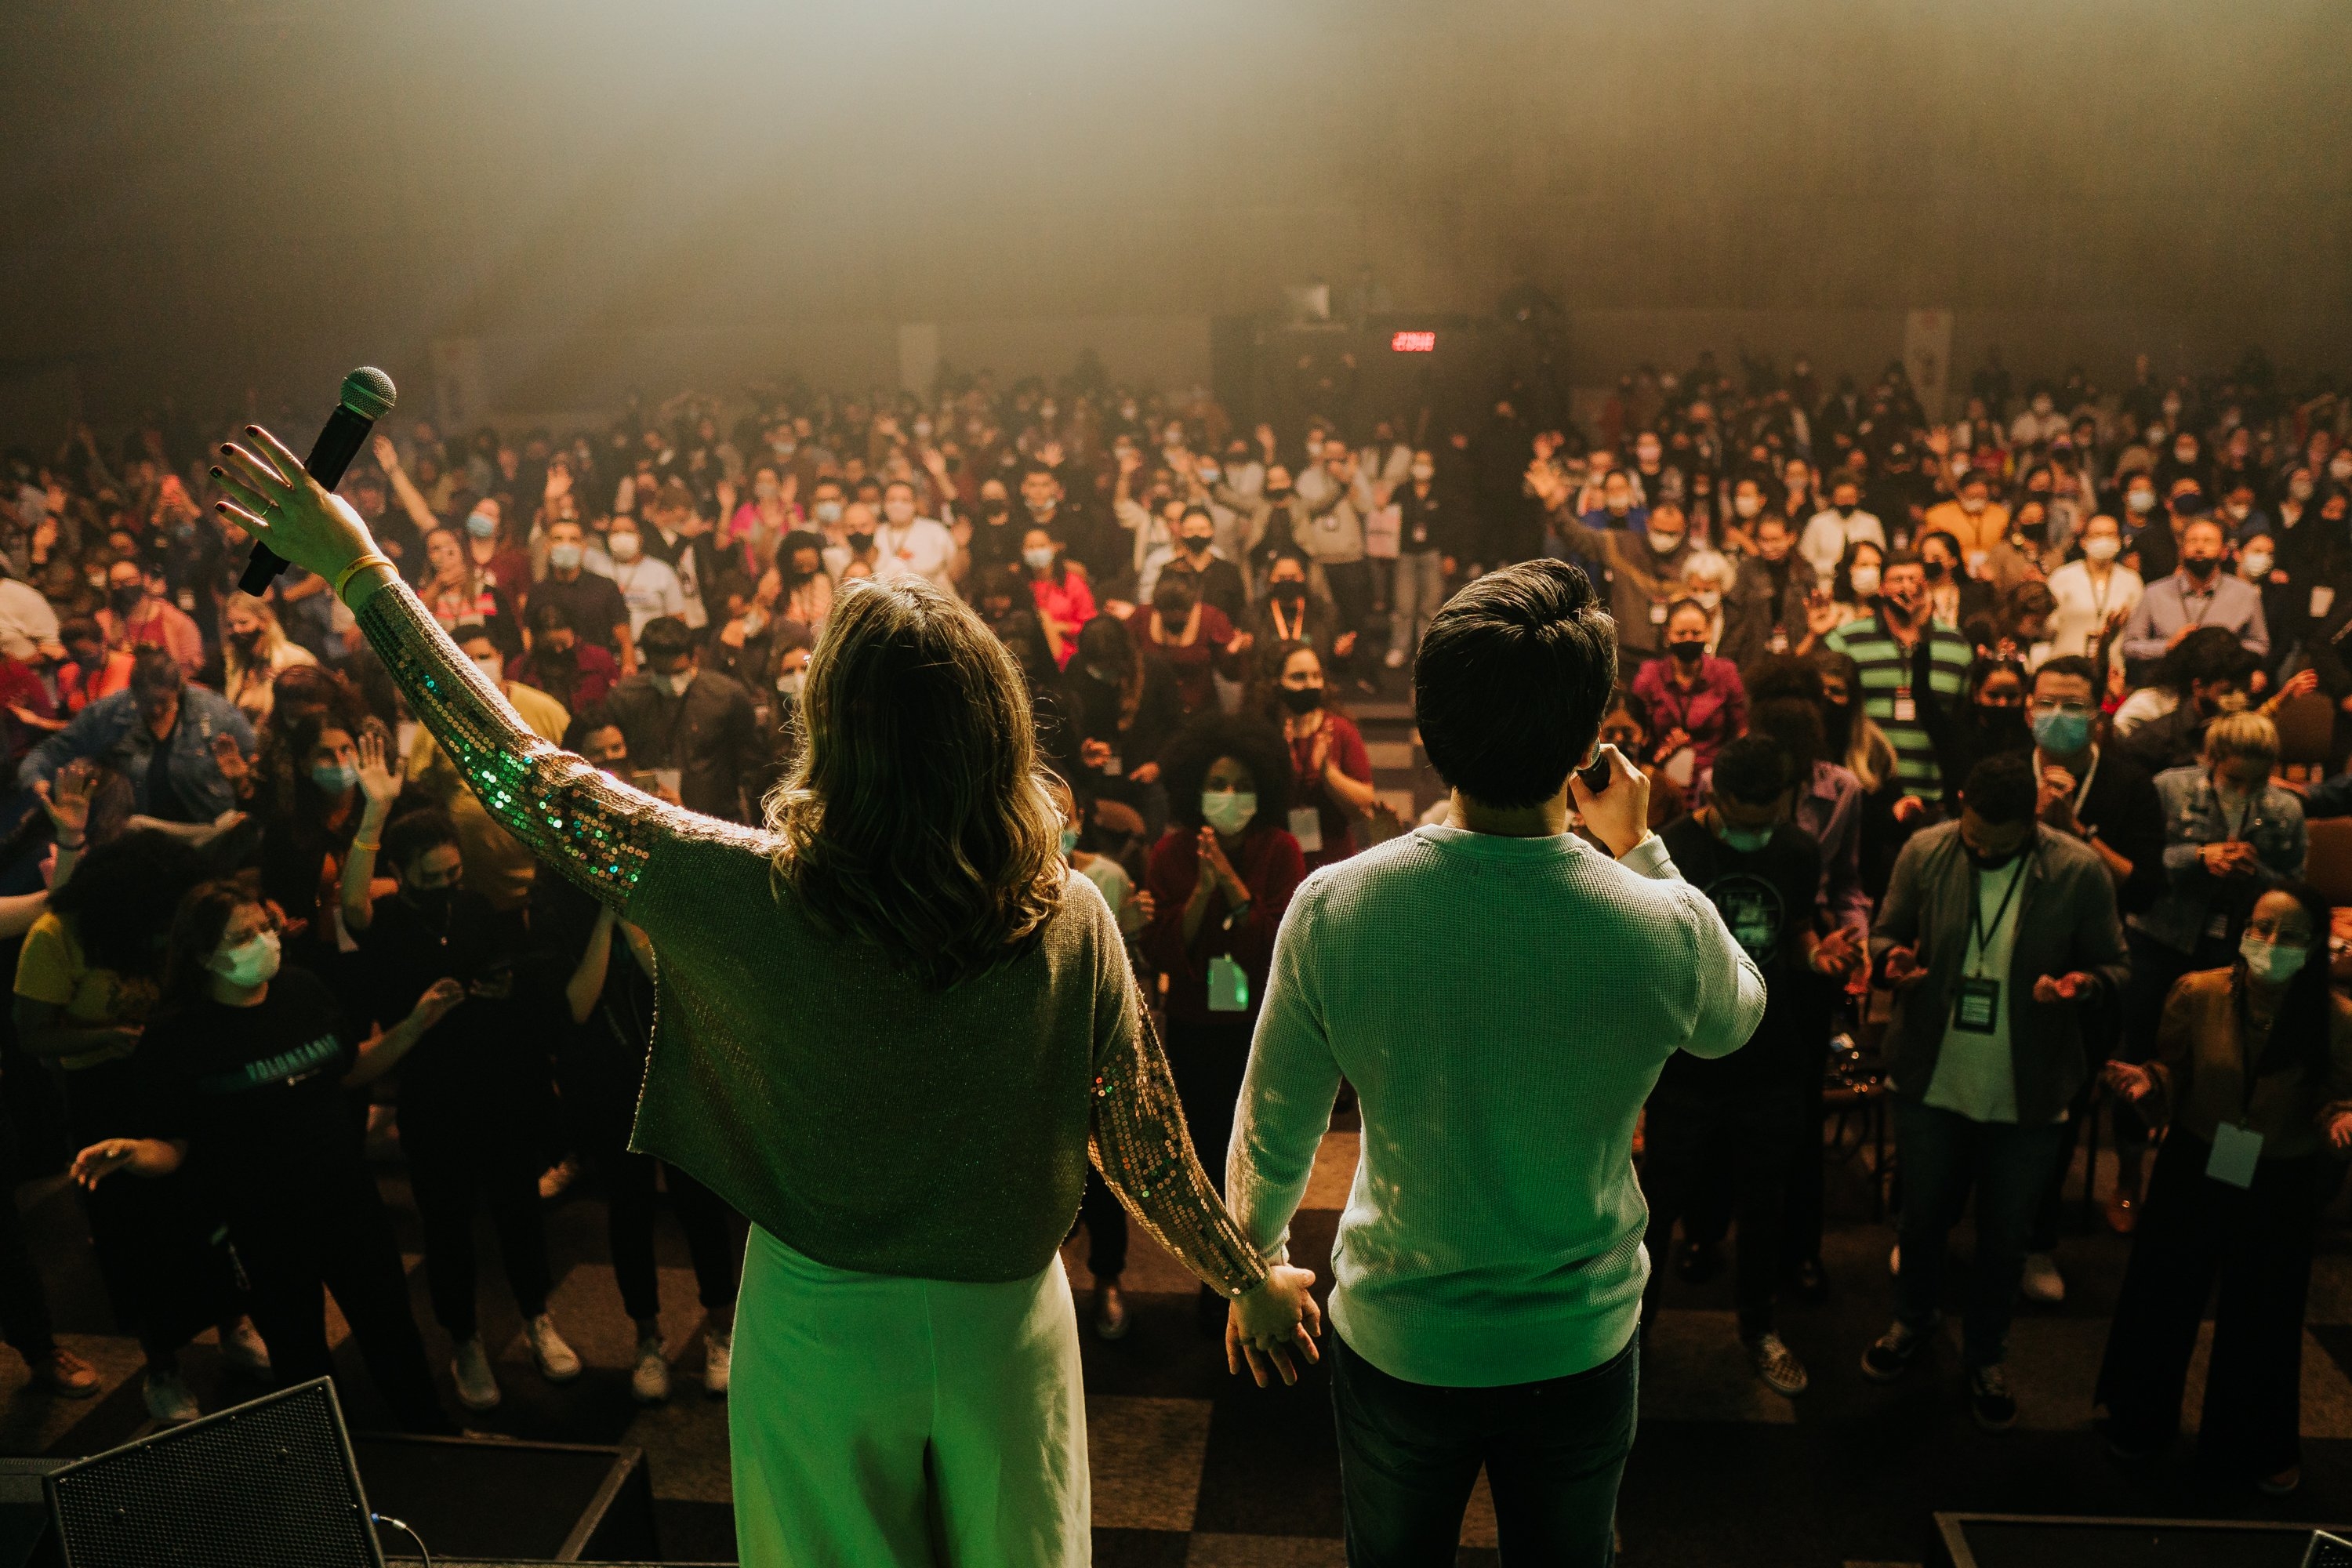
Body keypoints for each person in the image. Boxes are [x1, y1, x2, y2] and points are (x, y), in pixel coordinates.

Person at [209, 426, 1314, 1568]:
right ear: (998, 730)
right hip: (1005, 1324)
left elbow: (521, 774)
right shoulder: (1073, 910)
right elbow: (1140, 1131)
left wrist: (360, 569)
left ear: (827, 728)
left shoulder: (739, 889)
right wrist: (1244, 1274)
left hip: (818, 1322)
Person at [1227, 559, 1764, 1566]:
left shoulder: (1337, 907)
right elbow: (1737, 1018)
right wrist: (1642, 847)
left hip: (1398, 1334)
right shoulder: (1661, 923)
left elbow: (1273, 1125)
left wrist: (1251, 1260)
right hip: (1582, 1337)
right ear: (1587, 743)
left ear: (1426, 737)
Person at [69, 882, 459, 1432]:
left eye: (265, 928)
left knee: (390, 1324)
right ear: (204, 954)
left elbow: (349, 1069)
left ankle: (432, 1434)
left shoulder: (302, 990)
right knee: (300, 1350)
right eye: (243, 935)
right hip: (264, 1221)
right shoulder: (178, 1036)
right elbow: (173, 1147)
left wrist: (416, 1024)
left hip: (347, 1199)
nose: (264, 942)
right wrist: (134, 1153)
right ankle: (328, 1460)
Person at [1864, 753, 2129, 1430]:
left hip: (2029, 1080)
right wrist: (1892, 959)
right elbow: (1888, 929)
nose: (1982, 852)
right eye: (1975, 838)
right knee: (1922, 1219)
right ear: (1960, 803)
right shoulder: (1925, 850)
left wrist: (2083, 986)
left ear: (2035, 819)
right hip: (1930, 1069)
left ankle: (1986, 1356)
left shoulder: (2076, 870)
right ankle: (1911, 1326)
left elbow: (2115, 965)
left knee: (2005, 1238)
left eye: (2000, 847)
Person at [2098, 884, 2352, 1495]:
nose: (2268, 944)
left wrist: (2340, 1119)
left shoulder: (2336, 1018)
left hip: (2279, 1174)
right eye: (2260, 929)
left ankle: (2251, 1444)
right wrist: (2147, 1085)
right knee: (2165, 1293)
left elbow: (2334, 1096)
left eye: (2288, 935)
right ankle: (2141, 1422)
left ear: (2314, 946)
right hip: (2199, 1159)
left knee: (2264, 1314)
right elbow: (2174, 1071)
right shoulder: (2199, 992)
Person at [13, 829, 266, 1422]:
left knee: (208, 1212)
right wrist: (104, 1035)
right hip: (105, 1092)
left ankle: (235, 1324)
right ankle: (162, 1367)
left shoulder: (167, 921)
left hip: (174, 1076)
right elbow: (32, 1035)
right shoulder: (57, 935)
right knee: (136, 1233)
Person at [340, 782, 578, 1413]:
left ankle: (537, 1319)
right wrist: (373, 816)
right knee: (446, 1226)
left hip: (496, 1085)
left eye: (452, 871)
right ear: (399, 873)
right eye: (430, 877)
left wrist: (505, 989)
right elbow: (353, 909)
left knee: (518, 1214)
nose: (446, 884)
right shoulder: (388, 923)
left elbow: (514, 968)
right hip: (432, 1097)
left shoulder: (472, 906)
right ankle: (465, 1341)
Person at [532, 724, 743, 1403]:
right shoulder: (556, 886)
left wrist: (638, 915)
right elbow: (575, 1005)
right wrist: (605, 913)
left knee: (700, 1206)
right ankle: (646, 1340)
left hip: (676, 1065)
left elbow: (684, 980)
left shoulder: (669, 862)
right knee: (625, 1212)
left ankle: (721, 1331)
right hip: (606, 1076)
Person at [1648, 735, 1861, 1397]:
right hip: (1686, 1060)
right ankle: (1631, 1338)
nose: (1758, 831)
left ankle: (1759, 1329)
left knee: (1766, 1205)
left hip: (1769, 1058)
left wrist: (1813, 955)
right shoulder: (1673, 849)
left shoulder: (1796, 850)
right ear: (1719, 797)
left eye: (1770, 816)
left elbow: (1792, 931)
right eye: (1747, 818)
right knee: (1655, 1208)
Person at [1140, 715, 1305, 1332]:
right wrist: (1204, 892)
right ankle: (1220, 1278)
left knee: (1262, 1147)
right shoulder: (1172, 853)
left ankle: (1263, 1263)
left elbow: (1275, 943)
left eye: (1241, 784)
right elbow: (1163, 949)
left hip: (1260, 1021)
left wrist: (1232, 884)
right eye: (1217, 782)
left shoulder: (1280, 850)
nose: (1228, 795)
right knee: (1206, 1150)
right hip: (1195, 1023)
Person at [2113, 712, 2307, 1231]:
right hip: (2161, 938)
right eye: (2238, 776)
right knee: (2141, 1054)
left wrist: (2256, 873)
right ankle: (2128, 1175)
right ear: (2215, 757)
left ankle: (2221, 1186)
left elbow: (2296, 883)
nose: (2249, 786)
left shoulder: (2284, 809)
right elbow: (2141, 861)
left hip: (2237, 948)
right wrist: (2198, 857)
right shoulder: (2169, 789)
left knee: (2235, 1072)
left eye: (2259, 776)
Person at [22, 646, 255, 826]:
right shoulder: (108, 713)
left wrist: (241, 780)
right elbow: (47, 753)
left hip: (206, 826)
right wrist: (38, 781)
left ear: (179, 689)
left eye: (163, 701)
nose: (155, 710)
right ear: (132, 691)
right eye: (146, 702)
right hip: (136, 832)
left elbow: (255, 765)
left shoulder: (216, 713)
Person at [1824, 551, 1973, 804]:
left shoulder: (1957, 645)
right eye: (1898, 579)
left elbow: (1960, 720)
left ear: (1927, 587)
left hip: (1934, 790)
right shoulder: (1846, 640)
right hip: (1868, 789)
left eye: (1914, 579)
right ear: (1882, 589)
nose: (1906, 586)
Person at [603, 615, 764, 822]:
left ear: (694, 658)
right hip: (652, 819)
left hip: (717, 819)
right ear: (648, 661)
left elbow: (752, 762)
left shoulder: (726, 696)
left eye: (678, 672)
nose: (671, 682)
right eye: (662, 674)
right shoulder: (625, 699)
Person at [1262, 644, 1375, 874]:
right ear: (1277, 682)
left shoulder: (1339, 730)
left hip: (1334, 865)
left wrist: (1328, 773)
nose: (1310, 684)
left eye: (1316, 676)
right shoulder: (1264, 733)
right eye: (1298, 677)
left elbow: (1365, 804)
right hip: (1277, 863)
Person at [2118, 517, 2268, 684]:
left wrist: (2225, 651)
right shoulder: (2154, 593)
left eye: (2208, 541)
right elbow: (2130, 646)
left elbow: (2260, 645)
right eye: (2192, 541)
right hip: (2166, 686)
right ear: (2181, 550)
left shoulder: (2246, 594)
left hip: (2223, 688)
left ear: (2224, 551)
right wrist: (2168, 646)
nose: (2199, 547)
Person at [1630, 599, 1747, 782]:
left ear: (1708, 632)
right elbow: (1637, 733)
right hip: (1660, 776)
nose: (1688, 639)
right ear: (1667, 633)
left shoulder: (1726, 673)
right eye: (1681, 633)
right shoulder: (1650, 676)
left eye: (1696, 633)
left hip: (1713, 778)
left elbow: (1741, 732)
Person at [534, 517, 637, 673]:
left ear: (583, 547)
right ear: (547, 547)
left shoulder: (605, 588)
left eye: (573, 539)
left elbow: (625, 640)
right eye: (558, 539)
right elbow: (530, 639)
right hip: (549, 676)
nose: (566, 545)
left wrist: (628, 668)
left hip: (596, 676)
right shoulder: (538, 590)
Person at [2043, 513, 2143, 664]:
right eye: (2098, 534)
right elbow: (2047, 626)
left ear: (2119, 541)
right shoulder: (2063, 576)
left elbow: (2138, 631)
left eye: (2110, 535)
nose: (2104, 540)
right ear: (2084, 541)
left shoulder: (2131, 580)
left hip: (2112, 667)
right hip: (2066, 664)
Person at [217, 591, 317, 724]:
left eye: (243, 623)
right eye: (230, 625)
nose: (236, 630)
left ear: (264, 622)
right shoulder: (236, 664)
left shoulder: (294, 658)